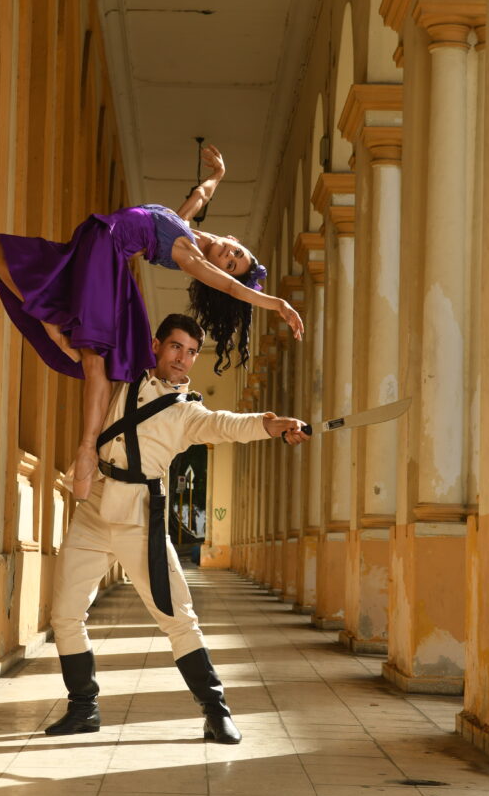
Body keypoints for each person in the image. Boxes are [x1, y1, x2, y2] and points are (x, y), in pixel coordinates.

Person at [0, 145, 304, 500]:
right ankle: (53, 323)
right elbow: (201, 196)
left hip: (105, 257)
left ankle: (87, 450)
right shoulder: (183, 224)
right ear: (234, 240)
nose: (231, 258)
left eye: (232, 264)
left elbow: (230, 287)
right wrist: (218, 174)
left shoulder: (189, 255)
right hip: (91, 241)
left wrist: (277, 303)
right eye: (237, 254)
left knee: (95, 359)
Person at [46, 313, 308, 745]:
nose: (183, 359)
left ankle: (215, 711)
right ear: (156, 345)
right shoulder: (124, 375)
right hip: (94, 505)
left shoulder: (187, 413)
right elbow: (81, 355)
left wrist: (270, 425)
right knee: (66, 614)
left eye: (191, 352)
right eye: (176, 347)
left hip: (139, 515)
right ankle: (83, 708)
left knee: (178, 617)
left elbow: (227, 424)